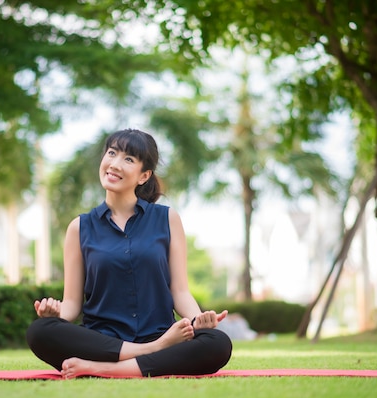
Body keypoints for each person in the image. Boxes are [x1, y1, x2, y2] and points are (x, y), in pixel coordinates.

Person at [26, 128, 232, 378]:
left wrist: (200, 319)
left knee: (217, 342)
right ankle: (150, 353)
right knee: (40, 331)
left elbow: (180, 291)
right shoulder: (79, 227)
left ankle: (101, 369)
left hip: (158, 332)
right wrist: (55, 313)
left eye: (128, 159)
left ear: (144, 175)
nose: (114, 164)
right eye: (111, 153)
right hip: (104, 342)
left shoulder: (167, 219)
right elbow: (71, 304)